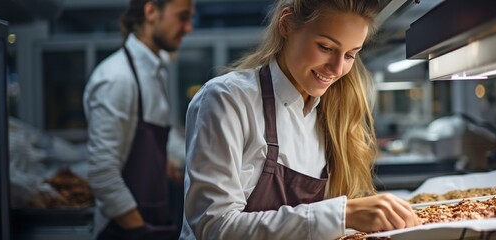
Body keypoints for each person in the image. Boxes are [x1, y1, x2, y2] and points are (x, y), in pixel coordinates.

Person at [180, 0, 420, 239]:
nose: (337, 69)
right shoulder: (227, 99)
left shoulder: (332, 114)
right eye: (325, 47)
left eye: (349, 55)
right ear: (286, 24)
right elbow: (214, 227)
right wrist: (341, 214)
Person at [83, 0, 194, 239]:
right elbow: (103, 174)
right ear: (151, 11)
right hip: (126, 230)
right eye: (182, 17)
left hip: (155, 218)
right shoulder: (117, 78)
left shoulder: (156, 72)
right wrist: (141, 231)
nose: (188, 28)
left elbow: (155, 141)